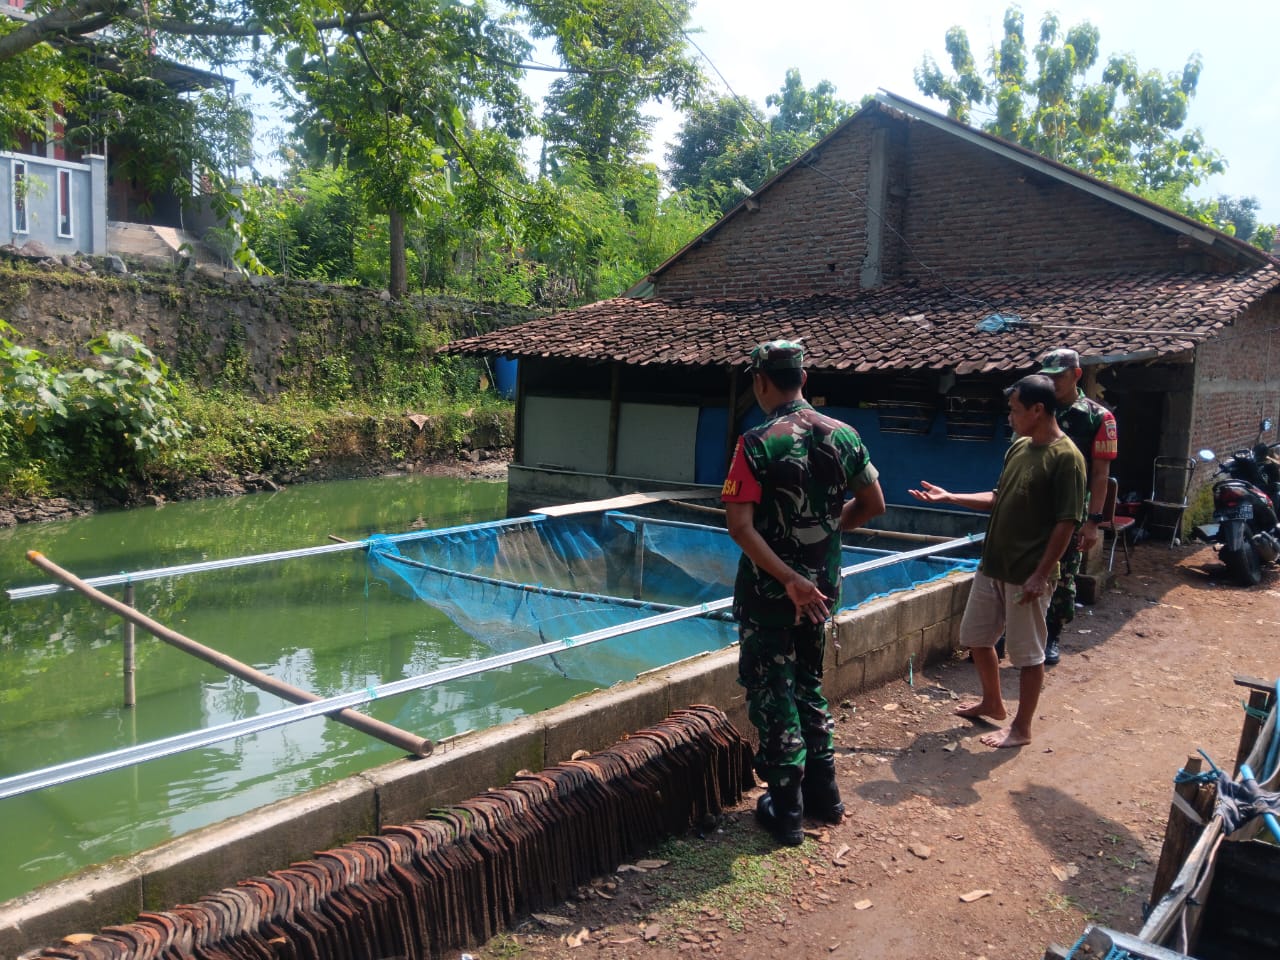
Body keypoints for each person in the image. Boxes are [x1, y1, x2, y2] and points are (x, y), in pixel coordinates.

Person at [721, 339, 886, 845]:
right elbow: (874, 503)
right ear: (804, 379)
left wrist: (787, 578)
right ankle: (826, 796)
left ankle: (787, 809)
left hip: (773, 597)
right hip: (821, 594)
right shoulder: (845, 436)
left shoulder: (756, 443)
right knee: (810, 684)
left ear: (760, 381)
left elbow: (740, 527)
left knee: (774, 694)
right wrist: (824, 544)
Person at [908, 375, 1085, 749]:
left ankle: (1022, 728)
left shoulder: (1067, 458)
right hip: (994, 564)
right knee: (975, 637)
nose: (1010, 417)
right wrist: (950, 497)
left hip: (1027, 573)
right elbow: (996, 496)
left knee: (1027, 655)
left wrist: (1040, 574)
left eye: (1014, 410)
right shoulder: (1019, 447)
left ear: (1038, 410)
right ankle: (992, 702)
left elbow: (1066, 522)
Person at [1038, 348, 1118, 665]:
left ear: (1076, 375)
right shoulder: (1040, 410)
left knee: (1063, 572)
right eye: (1048, 376)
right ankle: (1011, 631)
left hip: (1071, 511)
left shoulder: (1098, 418)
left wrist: (1093, 522)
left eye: (1059, 376)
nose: (1053, 382)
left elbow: (1100, 474)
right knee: (1021, 566)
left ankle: (1052, 636)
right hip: (1034, 506)